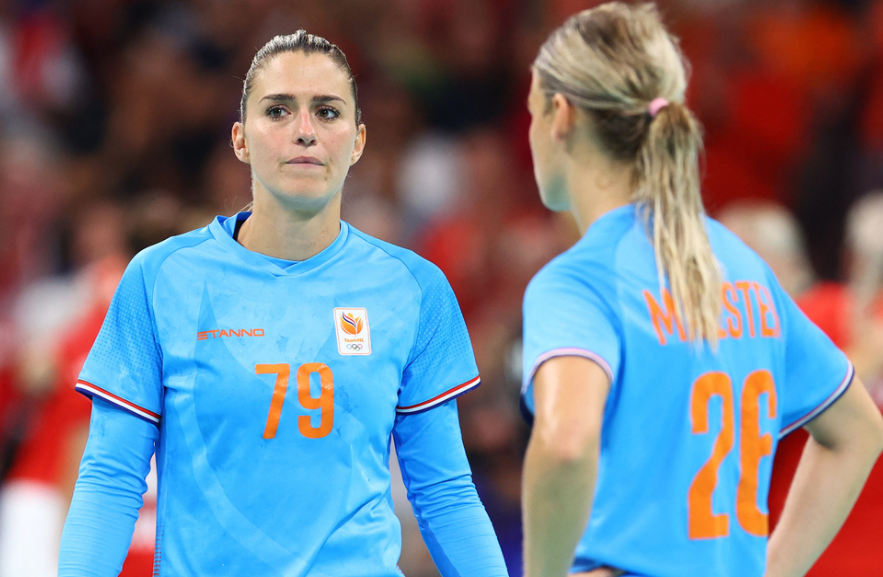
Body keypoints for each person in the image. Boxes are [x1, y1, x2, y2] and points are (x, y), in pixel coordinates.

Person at [58, 31, 508, 577]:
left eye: (327, 111)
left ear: (359, 140)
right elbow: (110, 476)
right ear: (241, 139)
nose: (304, 131)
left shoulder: (413, 288)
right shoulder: (160, 278)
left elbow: (444, 492)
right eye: (278, 110)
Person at [518, 4, 883, 577]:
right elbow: (858, 431)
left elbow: (566, 443)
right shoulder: (744, 267)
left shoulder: (577, 283)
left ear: (559, 115)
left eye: (532, 109)